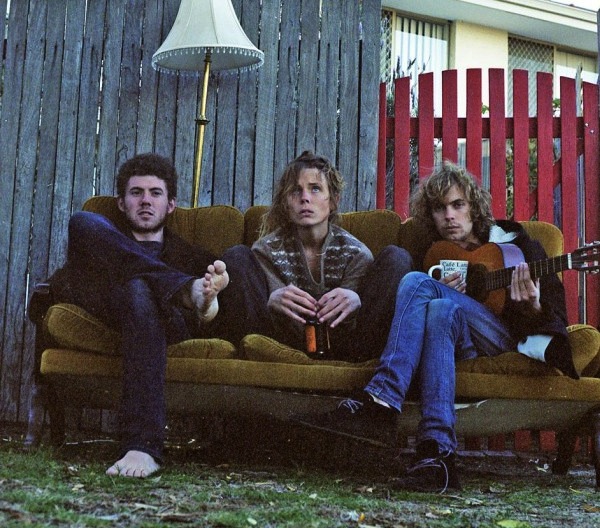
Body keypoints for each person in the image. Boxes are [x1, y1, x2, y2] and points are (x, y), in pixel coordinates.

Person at [294, 160, 578, 492]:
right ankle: (437, 455)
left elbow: (555, 317)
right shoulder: (434, 253)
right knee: (441, 308)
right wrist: (442, 293)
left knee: (416, 282)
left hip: (497, 339)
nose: (449, 216)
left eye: (458, 205)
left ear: (474, 207)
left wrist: (532, 306)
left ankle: (382, 401)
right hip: (454, 342)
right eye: (440, 209)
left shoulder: (518, 245)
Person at [49, 153, 229, 478]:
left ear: (171, 205)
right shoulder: (101, 242)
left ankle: (143, 447)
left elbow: (218, 313)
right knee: (82, 220)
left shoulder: (193, 258)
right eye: (136, 192)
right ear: (121, 203)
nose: (146, 201)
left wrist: (209, 299)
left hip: (164, 323)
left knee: (138, 289)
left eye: (155, 193)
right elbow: (62, 285)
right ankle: (181, 289)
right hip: (108, 308)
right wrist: (185, 289)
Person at [215, 150, 413, 360]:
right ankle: (258, 363)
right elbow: (258, 311)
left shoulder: (356, 253)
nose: (305, 198)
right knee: (237, 256)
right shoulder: (265, 251)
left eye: (315, 189)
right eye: (295, 191)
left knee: (397, 258)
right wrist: (269, 300)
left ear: (334, 200)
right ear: (285, 203)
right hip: (278, 344)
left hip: (347, 345)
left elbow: (361, 322)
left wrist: (358, 300)